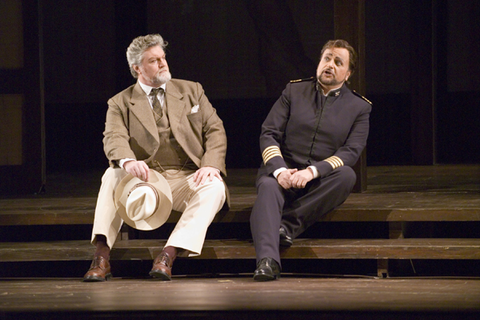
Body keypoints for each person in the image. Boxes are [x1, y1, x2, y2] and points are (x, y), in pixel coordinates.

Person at [83, 34, 228, 282]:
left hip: (186, 176)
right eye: (153, 60)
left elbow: (215, 129)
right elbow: (114, 137)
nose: (163, 64)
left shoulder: (192, 90)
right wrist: (128, 161)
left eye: (163, 58)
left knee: (215, 187)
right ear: (137, 68)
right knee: (112, 174)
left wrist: (211, 164)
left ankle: (168, 255)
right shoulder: (120, 102)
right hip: (147, 179)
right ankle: (101, 256)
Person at [250, 39, 372, 281]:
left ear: (347, 74)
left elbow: (351, 152)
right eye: (327, 58)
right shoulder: (294, 91)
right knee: (267, 186)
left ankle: (286, 226)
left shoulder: (359, 107)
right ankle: (267, 262)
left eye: (338, 62)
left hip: (317, 180)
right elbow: (269, 133)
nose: (330, 65)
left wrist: (311, 172)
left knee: (347, 175)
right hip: (282, 173)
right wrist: (280, 171)